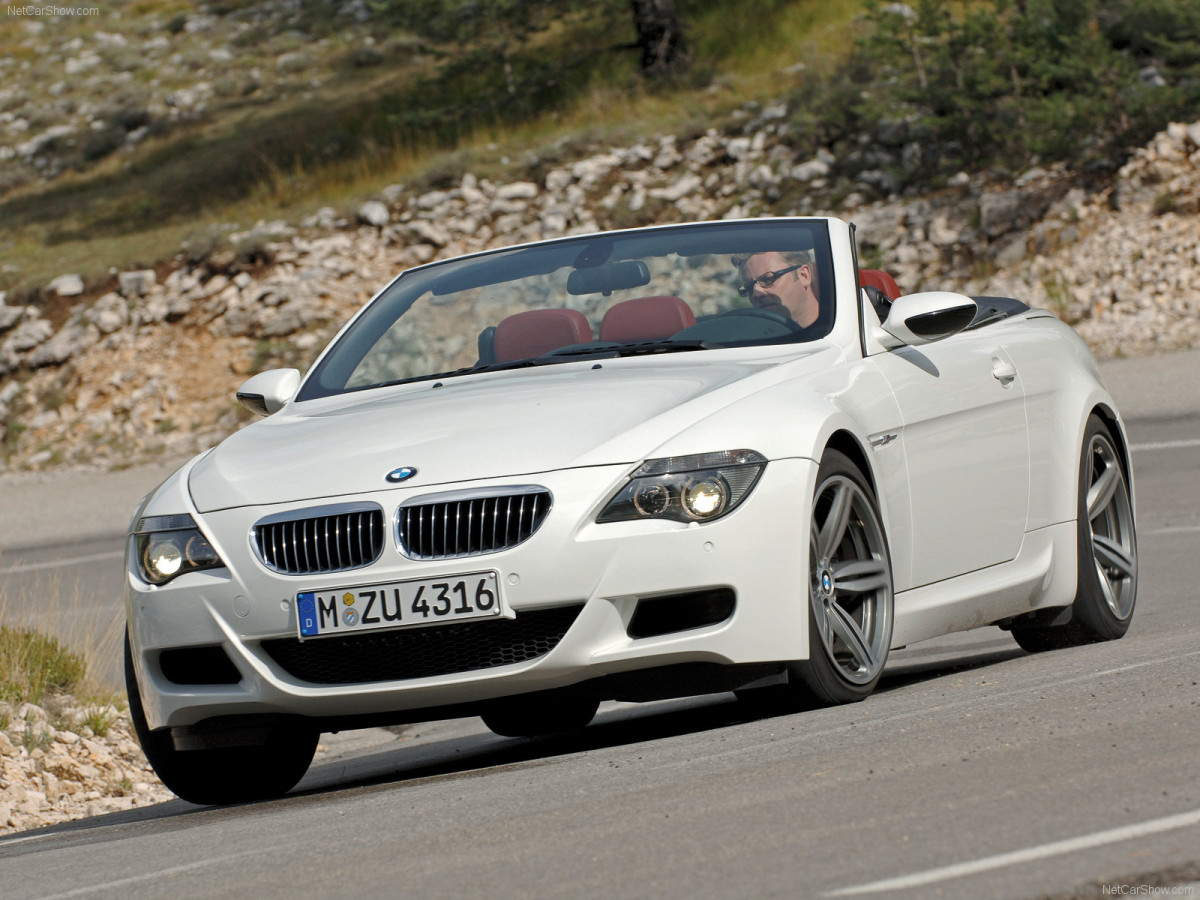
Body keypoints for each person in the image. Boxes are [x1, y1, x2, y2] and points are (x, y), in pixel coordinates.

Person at [731, 249, 820, 328]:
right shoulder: (753, 342)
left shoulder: (832, 333)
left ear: (804, 275)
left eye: (768, 279)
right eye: (749, 287)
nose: (756, 294)